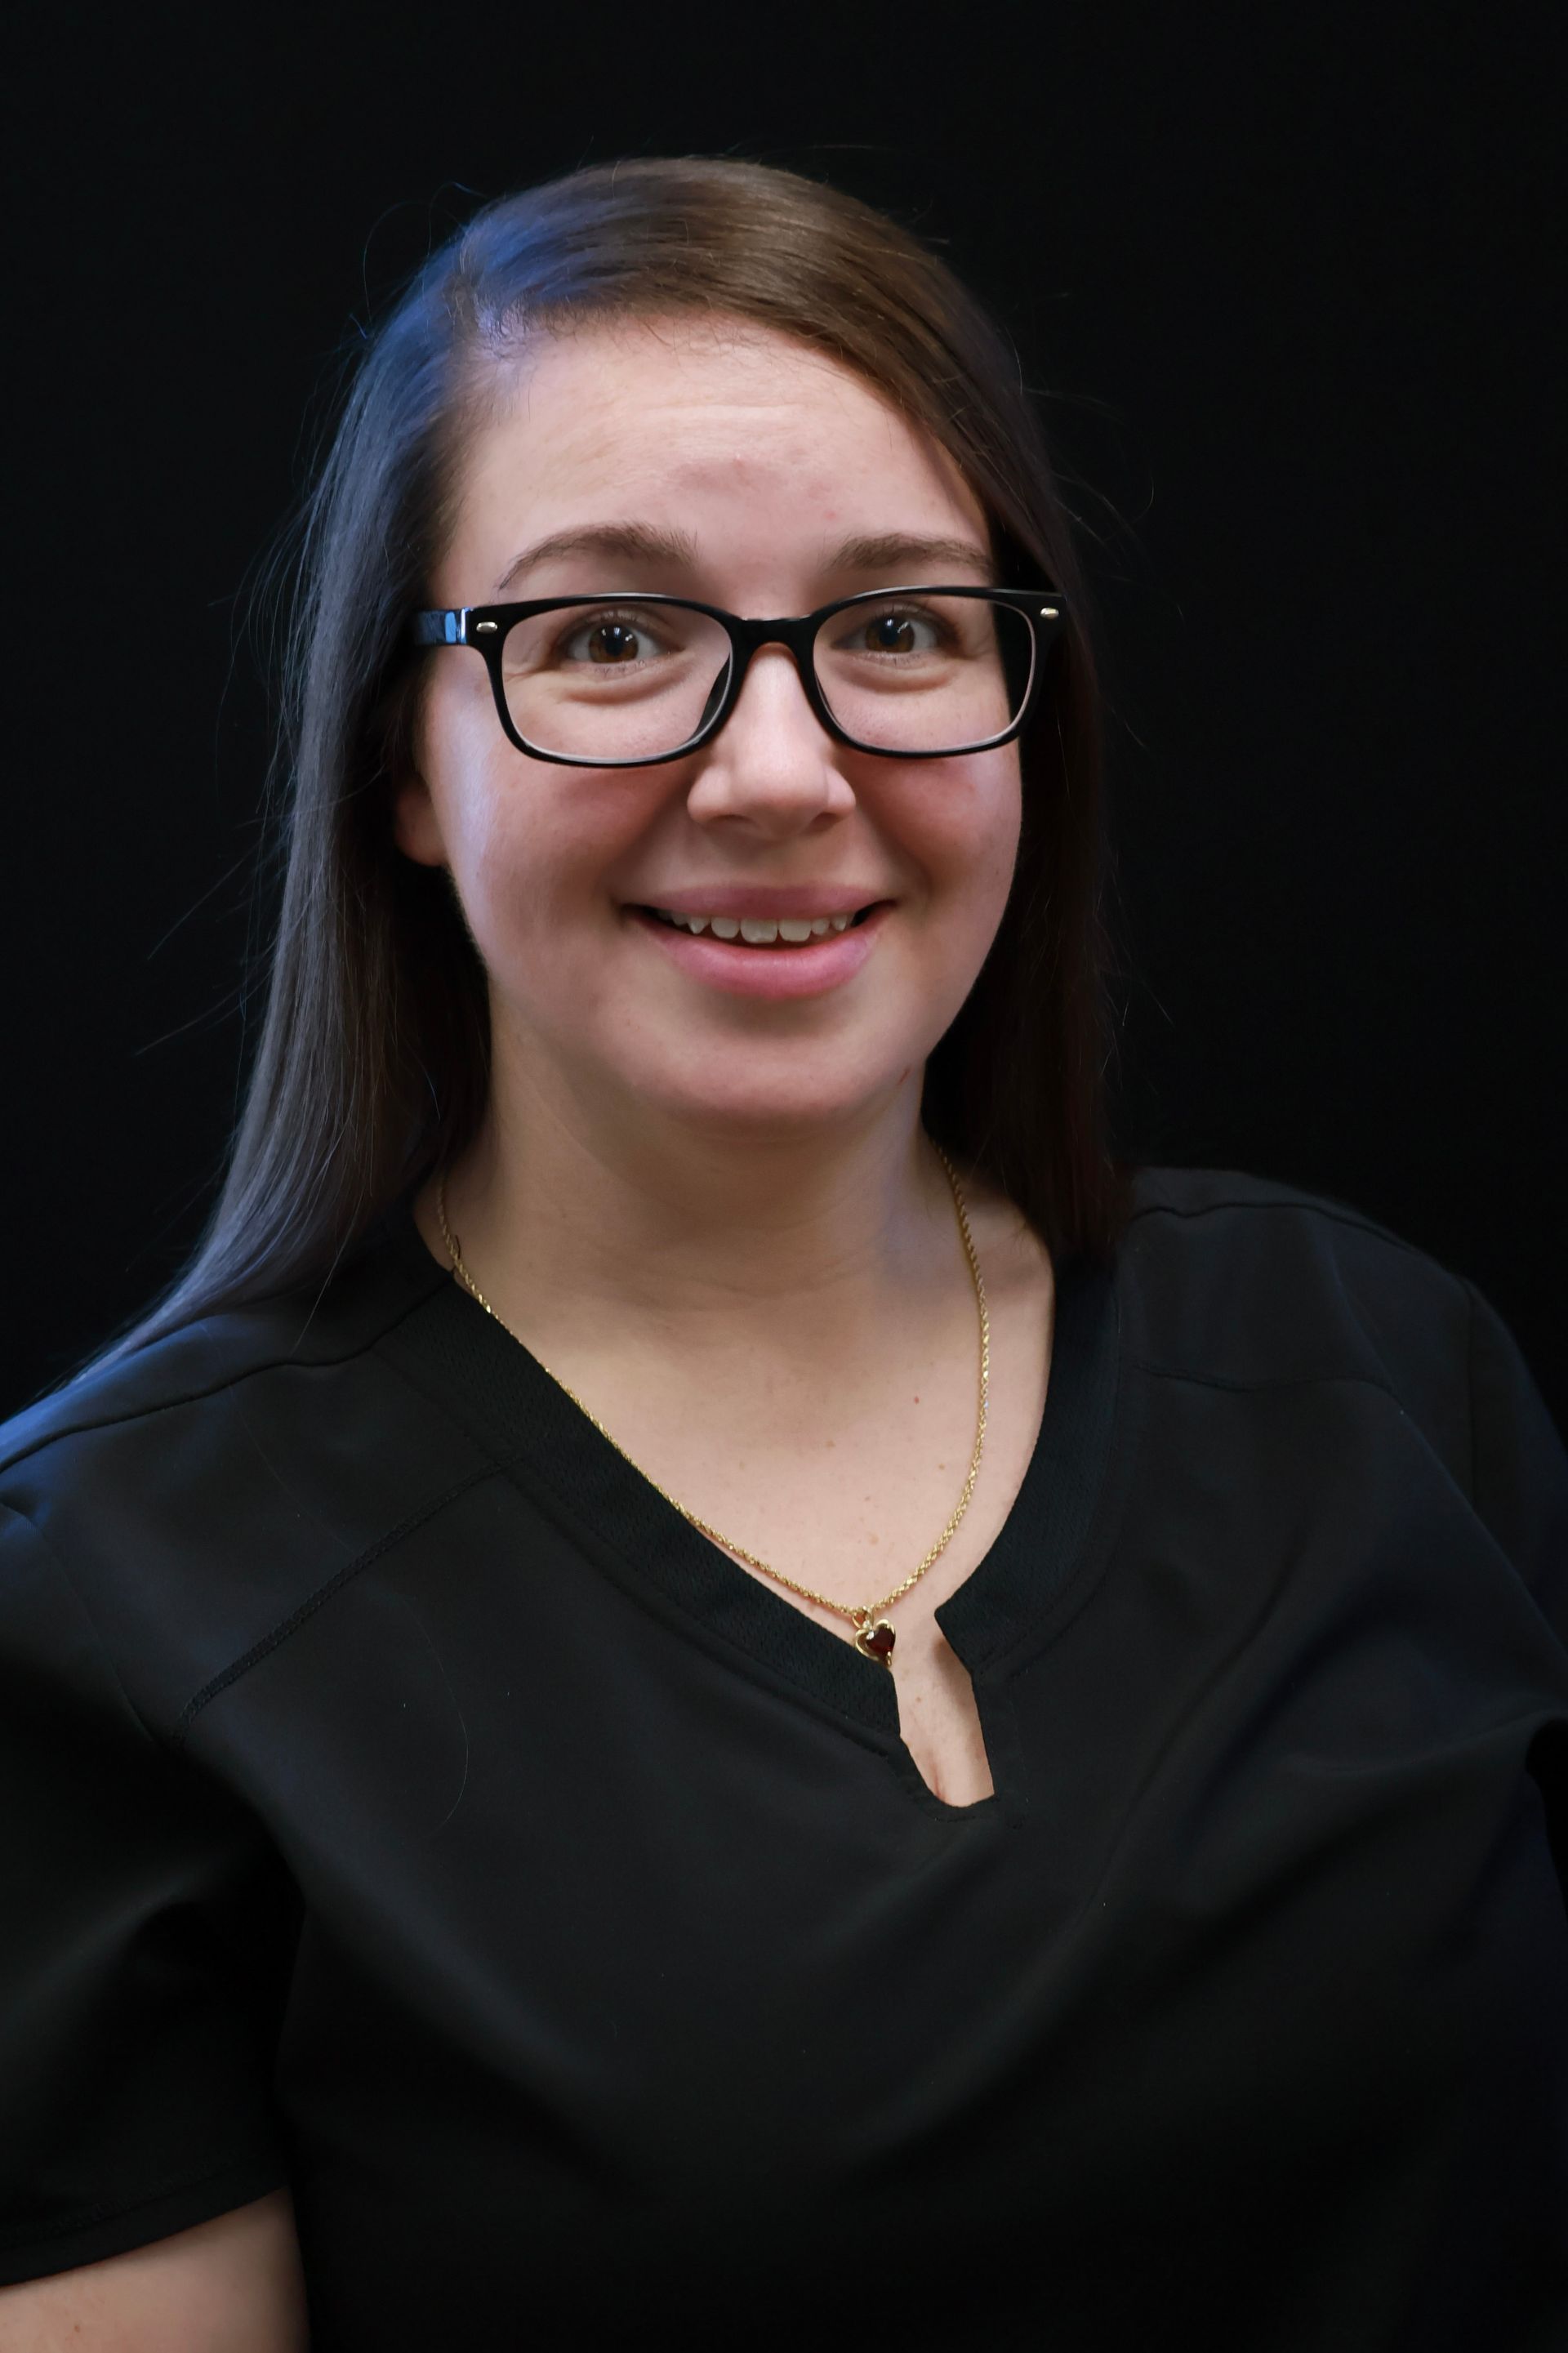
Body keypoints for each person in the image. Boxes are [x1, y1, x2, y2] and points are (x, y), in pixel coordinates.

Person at [1, 156, 1563, 2353]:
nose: (779, 766)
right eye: (612, 636)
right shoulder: (100, 1601)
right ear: (403, 764)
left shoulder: (1386, 1370)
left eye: (900, 625)